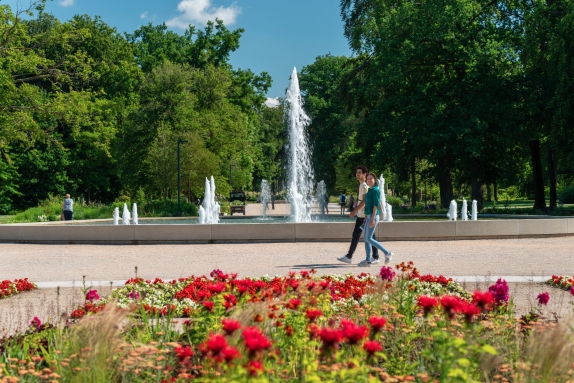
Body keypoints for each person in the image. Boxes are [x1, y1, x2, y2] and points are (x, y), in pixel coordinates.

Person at [337, 166, 380, 264]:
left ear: (365, 174)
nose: (357, 174)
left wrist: (354, 211)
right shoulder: (362, 185)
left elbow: (365, 201)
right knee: (368, 236)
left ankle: (350, 256)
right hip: (362, 215)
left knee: (359, 235)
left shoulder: (364, 186)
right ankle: (375, 256)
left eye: (360, 172)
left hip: (363, 216)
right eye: (357, 172)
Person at [358, 172, 393, 267]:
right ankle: (368, 259)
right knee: (366, 239)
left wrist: (372, 219)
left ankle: (387, 252)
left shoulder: (376, 190)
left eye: (371, 178)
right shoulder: (370, 190)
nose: (369, 180)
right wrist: (366, 216)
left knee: (369, 238)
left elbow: (375, 206)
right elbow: (368, 205)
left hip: (373, 216)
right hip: (369, 216)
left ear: (375, 180)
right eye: (368, 178)